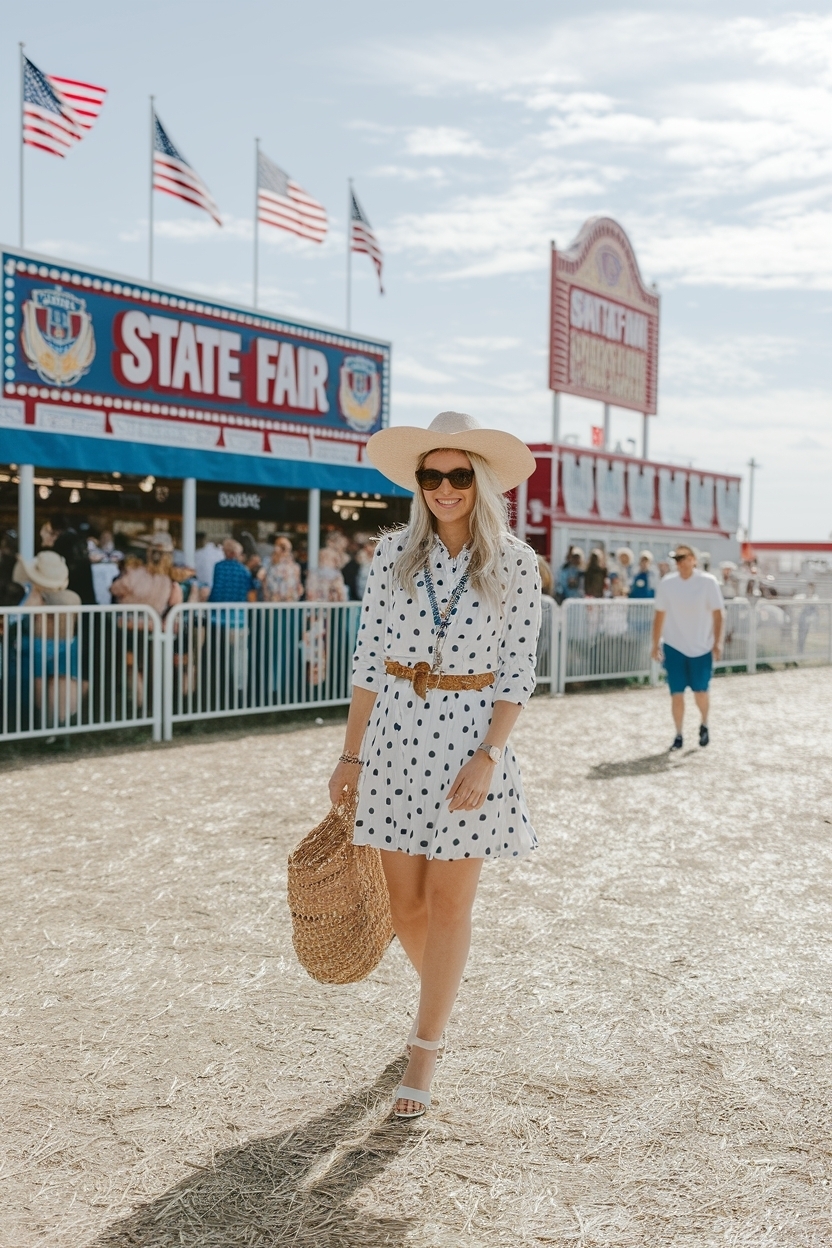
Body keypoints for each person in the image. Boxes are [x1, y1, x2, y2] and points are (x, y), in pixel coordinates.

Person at [328, 410, 540, 1120]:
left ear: (478, 481)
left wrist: (490, 755)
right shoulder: (390, 554)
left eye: (457, 475)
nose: (444, 488)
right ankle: (441, 999)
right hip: (392, 736)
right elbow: (365, 661)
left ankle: (425, 1047)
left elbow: (517, 672)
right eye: (431, 475)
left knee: (450, 905)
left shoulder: (513, 561)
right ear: (417, 484)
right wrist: (350, 754)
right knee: (405, 905)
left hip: (468, 741)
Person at [650, 545, 724, 751]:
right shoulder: (667, 584)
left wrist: (717, 642)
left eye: (684, 558)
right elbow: (659, 616)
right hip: (674, 646)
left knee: (701, 692)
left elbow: (718, 614)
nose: (680, 562)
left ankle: (704, 723)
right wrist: (655, 644)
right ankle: (679, 734)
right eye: (677, 559)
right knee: (676, 694)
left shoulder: (708, 582)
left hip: (701, 647)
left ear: (694, 559)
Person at [262, 537, 303, 603]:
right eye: (282, 547)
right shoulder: (268, 562)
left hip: (290, 603)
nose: (284, 550)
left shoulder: (294, 566)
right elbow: (261, 576)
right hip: (273, 604)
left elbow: (298, 585)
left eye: (285, 548)